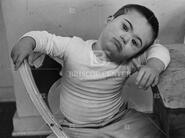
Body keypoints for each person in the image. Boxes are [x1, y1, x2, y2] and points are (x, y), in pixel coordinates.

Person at [11, 4, 170, 138]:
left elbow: (160, 49)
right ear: (110, 20)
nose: (125, 38)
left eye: (135, 42)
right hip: (74, 126)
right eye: (124, 27)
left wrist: (153, 66)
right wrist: (28, 41)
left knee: (154, 129)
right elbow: (46, 39)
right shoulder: (73, 47)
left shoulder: (128, 62)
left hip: (117, 120)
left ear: (136, 52)